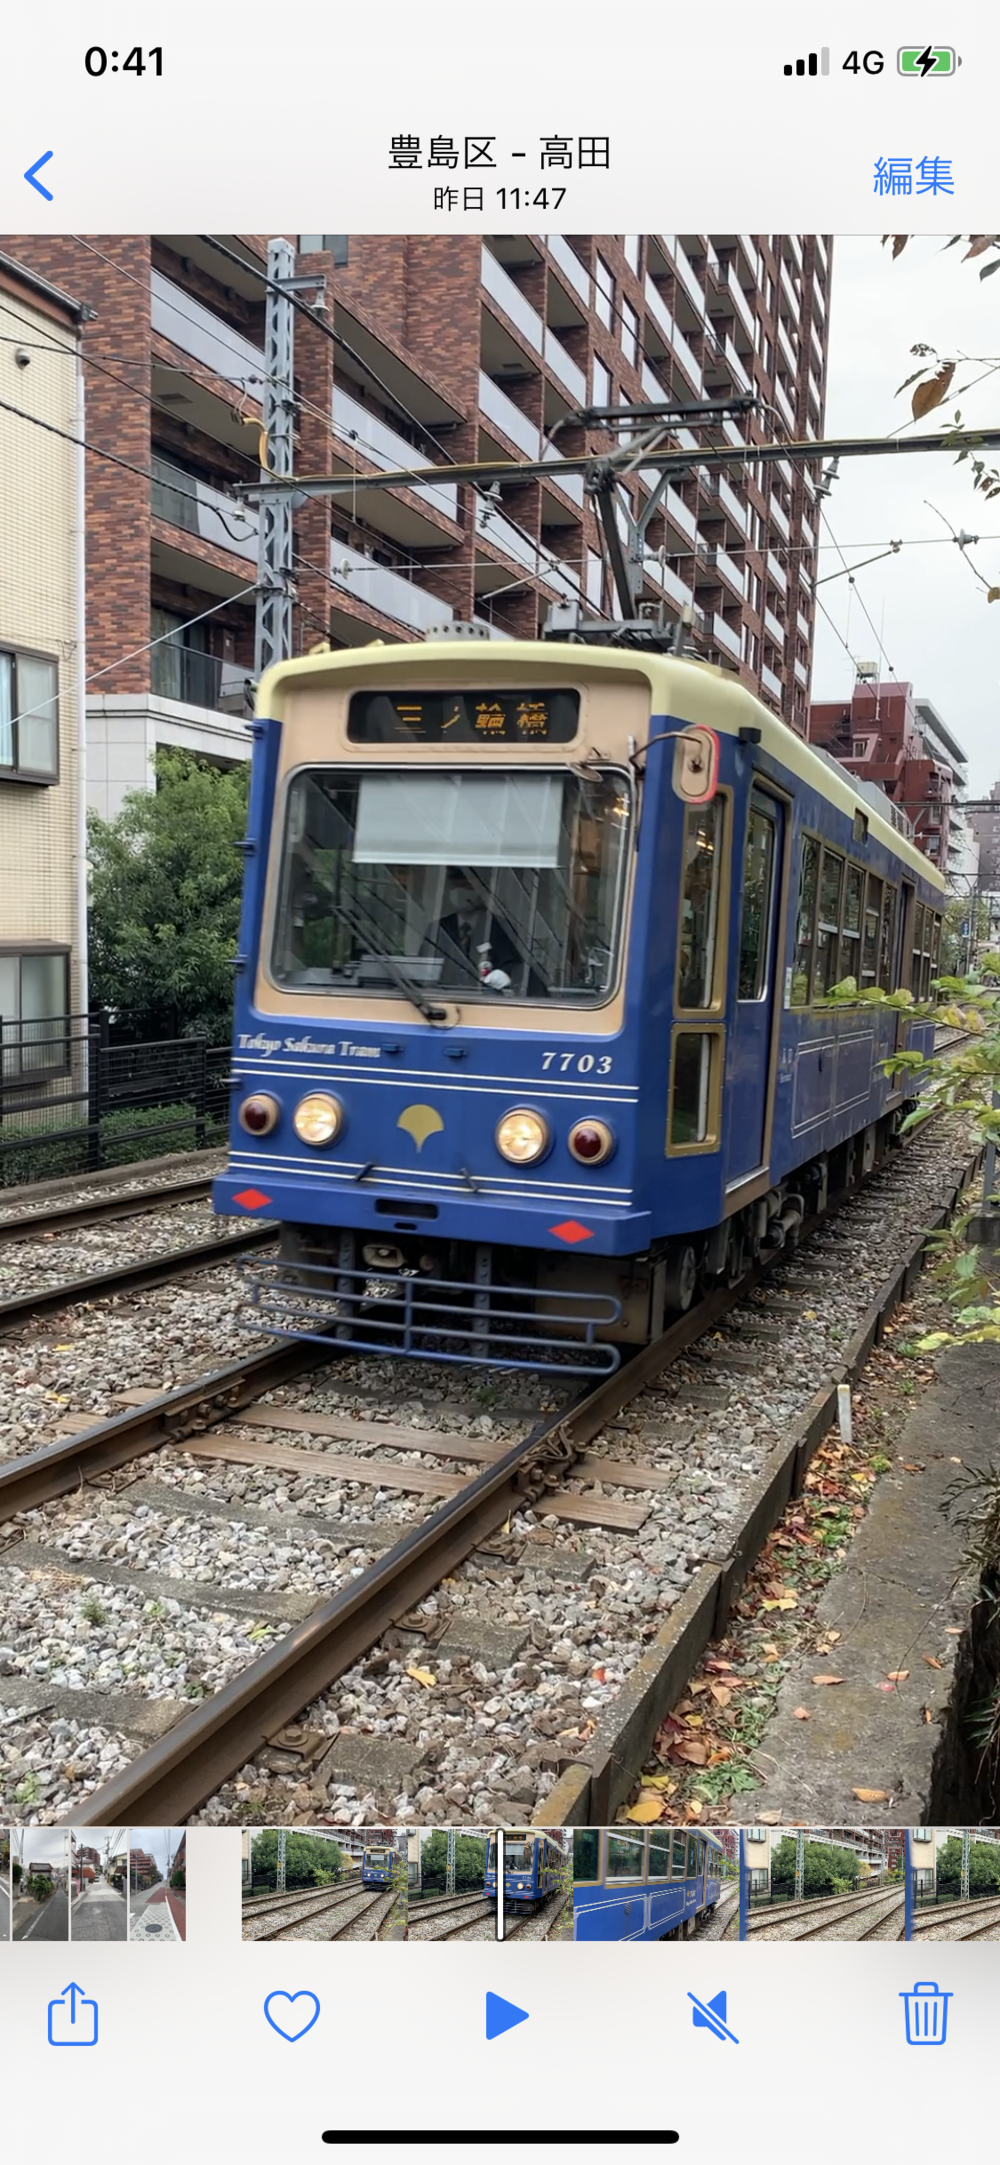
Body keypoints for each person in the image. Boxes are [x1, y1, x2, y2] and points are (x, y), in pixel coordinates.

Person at [428, 871, 532, 991]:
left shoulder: (500, 927)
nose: (460, 892)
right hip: (442, 995)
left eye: (467, 887)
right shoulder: (438, 927)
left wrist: (504, 974)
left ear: (481, 892)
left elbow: (515, 966)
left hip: (486, 997)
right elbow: (424, 965)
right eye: (455, 887)